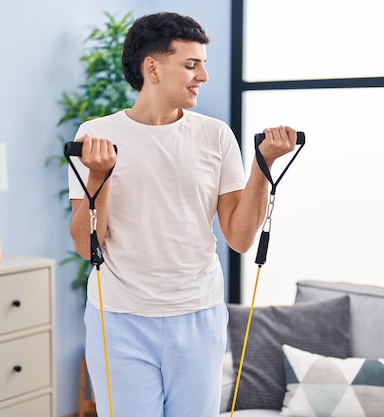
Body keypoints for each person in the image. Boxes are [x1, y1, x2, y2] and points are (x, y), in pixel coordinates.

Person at [68, 11, 297, 417]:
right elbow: (87, 248)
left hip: (198, 315)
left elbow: (240, 238)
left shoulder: (215, 135)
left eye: (203, 64)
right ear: (152, 68)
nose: (203, 76)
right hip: (120, 319)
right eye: (191, 65)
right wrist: (99, 177)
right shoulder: (96, 136)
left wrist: (263, 167)